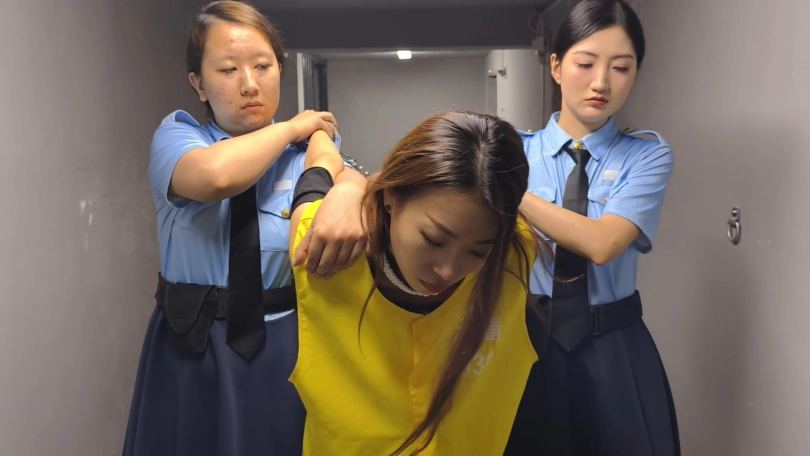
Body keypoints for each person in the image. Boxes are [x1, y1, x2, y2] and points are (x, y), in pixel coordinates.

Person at [122, 1, 368, 455]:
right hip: (193, 344)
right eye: (228, 69)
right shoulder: (179, 138)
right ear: (198, 83)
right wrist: (293, 127)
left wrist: (352, 187)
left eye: (263, 66)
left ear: (280, 69)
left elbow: (354, 182)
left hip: (287, 340)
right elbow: (216, 177)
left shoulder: (309, 154)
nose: (250, 84)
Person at [287, 111, 552, 455]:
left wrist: (351, 184)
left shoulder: (511, 256)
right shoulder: (323, 245)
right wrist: (349, 183)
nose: (448, 270)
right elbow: (320, 166)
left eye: (477, 251)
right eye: (434, 240)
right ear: (392, 197)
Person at [508, 1, 681, 455]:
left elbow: (603, 243)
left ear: (635, 75)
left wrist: (511, 192)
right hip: (523, 341)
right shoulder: (510, 151)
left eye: (621, 68)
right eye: (585, 64)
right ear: (556, 66)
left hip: (615, 345)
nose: (601, 82)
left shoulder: (646, 156)